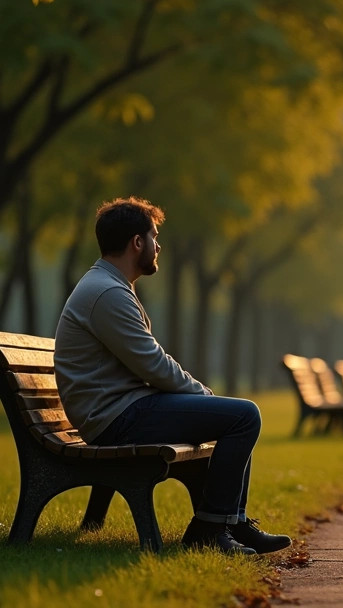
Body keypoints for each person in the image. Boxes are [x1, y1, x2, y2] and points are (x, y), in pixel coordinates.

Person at [54, 197, 291, 555]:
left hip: (122, 409)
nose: (158, 245)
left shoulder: (109, 286)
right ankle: (211, 528)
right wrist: (203, 394)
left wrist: (203, 398)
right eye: (154, 236)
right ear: (137, 243)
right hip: (116, 418)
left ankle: (232, 522)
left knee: (235, 414)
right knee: (242, 416)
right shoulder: (107, 293)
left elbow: (147, 364)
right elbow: (153, 364)